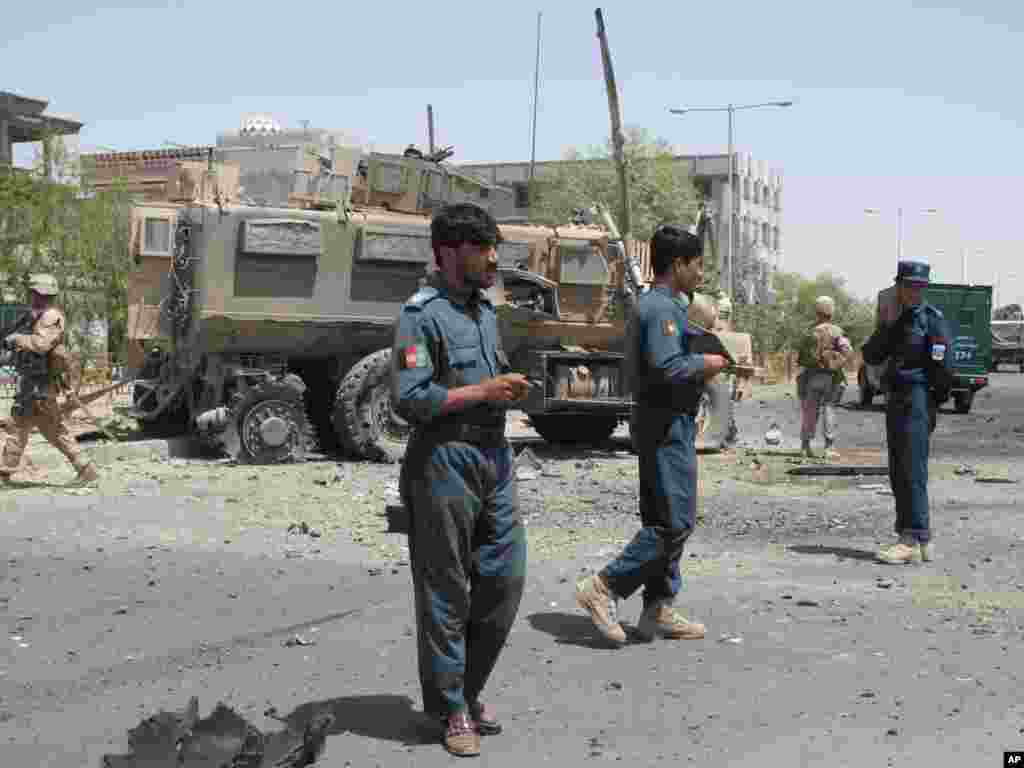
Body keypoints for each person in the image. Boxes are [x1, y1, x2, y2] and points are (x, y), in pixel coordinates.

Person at [392, 203, 531, 758]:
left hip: (494, 458)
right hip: (443, 460)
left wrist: (507, 392)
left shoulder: (485, 312)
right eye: (482, 248)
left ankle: (465, 688)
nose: (494, 258)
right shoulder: (419, 316)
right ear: (449, 253)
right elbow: (409, 398)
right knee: (446, 590)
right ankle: (452, 706)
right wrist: (482, 393)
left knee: (505, 577)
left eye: (494, 246)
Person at [575, 224, 730, 646]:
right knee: (671, 523)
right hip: (664, 424)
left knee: (667, 518)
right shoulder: (659, 308)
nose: (700, 274)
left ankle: (658, 605)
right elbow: (666, 368)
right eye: (697, 265)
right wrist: (708, 364)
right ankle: (604, 587)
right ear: (678, 264)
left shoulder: (668, 306)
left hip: (668, 422)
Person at [862, 261, 952, 565]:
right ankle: (919, 538)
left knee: (912, 468)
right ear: (898, 286)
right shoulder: (896, 321)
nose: (915, 291)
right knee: (899, 468)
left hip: (917, 398)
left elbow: (943, 369)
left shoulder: (931, 320)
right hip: (896, 397)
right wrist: (886, 324)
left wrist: (931, 403)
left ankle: (910, 537)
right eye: (909, 285)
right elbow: (872, 354)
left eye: (920, 286)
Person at [0, 274, 98, 485]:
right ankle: (85, 468)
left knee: (26, 427)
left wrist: (16, 339)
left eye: (34, 292)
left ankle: (4, 474)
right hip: (33, 384)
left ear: (41, 293)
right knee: (45, 429)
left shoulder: (51, 316)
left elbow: (40, 345)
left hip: (39, 386)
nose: (31, 296)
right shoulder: (35, 316)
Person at [795, 296, 848, 458]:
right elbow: (846, 350)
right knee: (829, 409)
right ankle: (829, 448)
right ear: (831, 312)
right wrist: (836, 361)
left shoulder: (810, 332)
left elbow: (801, 359)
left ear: (817, 312)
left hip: (812, 378)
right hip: (832, 378)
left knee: (810, 412)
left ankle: (805, 447)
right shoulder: (837, 331)